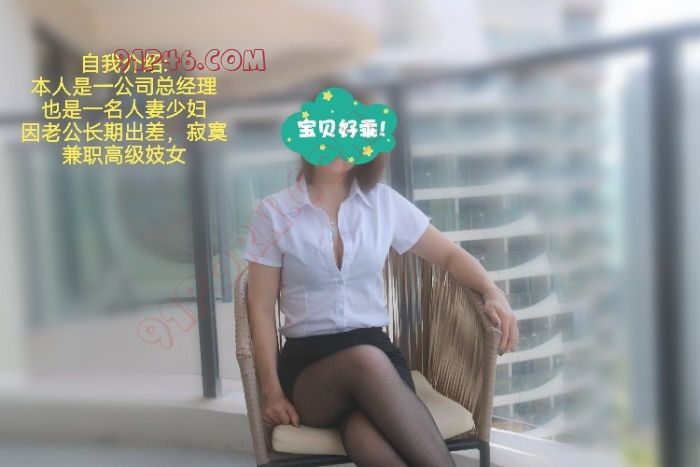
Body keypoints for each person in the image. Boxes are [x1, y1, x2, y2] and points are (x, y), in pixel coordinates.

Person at [244, 140, 518, 467]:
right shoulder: (273, 213)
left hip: (380, 366)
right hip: (311, 374)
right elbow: (260, 308)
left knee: (362, 431)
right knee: (366, 360)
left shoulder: (384, 203)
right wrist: (271, 392)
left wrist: (491, 290)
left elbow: (449, 255)